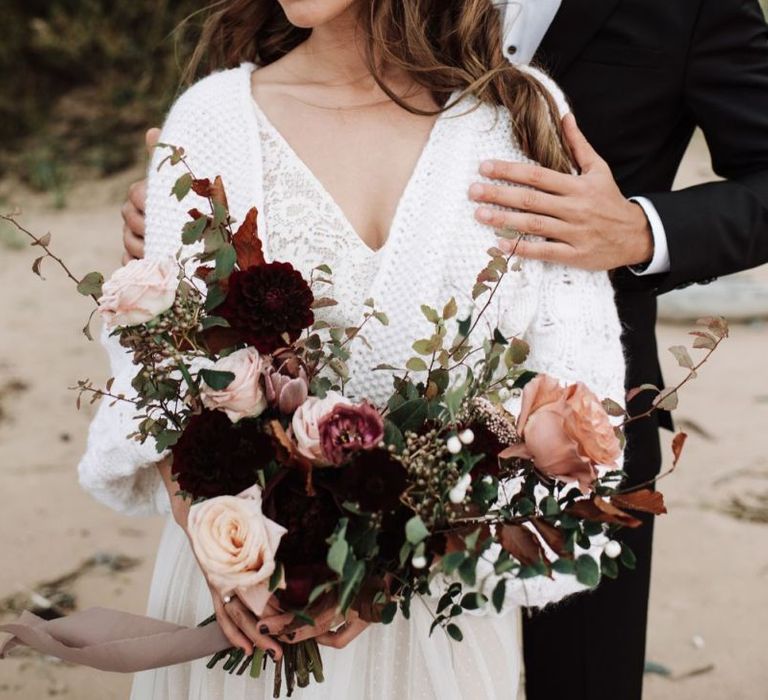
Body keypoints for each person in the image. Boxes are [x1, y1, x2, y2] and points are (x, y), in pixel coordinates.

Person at [121, 2, 768, 698]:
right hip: (278, 493)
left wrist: (637, 231)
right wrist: (179, 211)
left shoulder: (609, 58)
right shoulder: (276, 63)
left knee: (581, 677)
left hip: (561, 423)